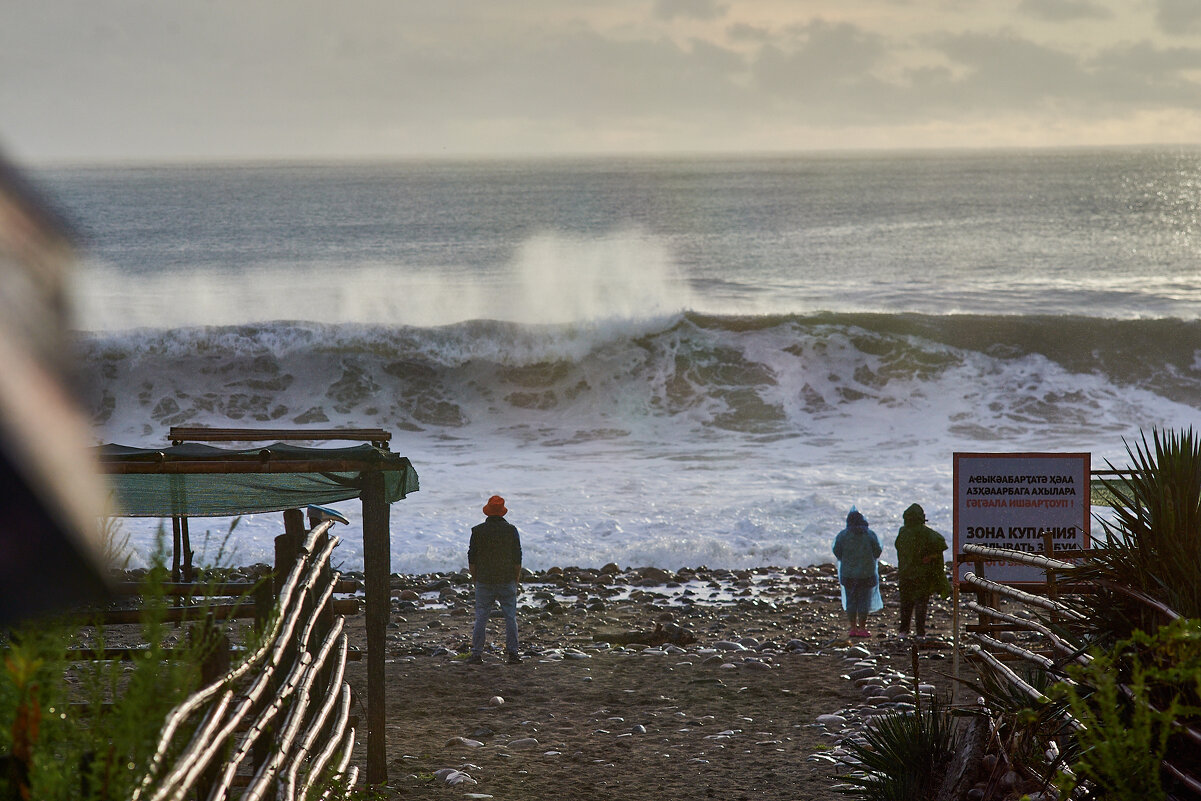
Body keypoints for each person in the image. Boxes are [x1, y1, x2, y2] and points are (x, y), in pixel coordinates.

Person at [467, 495, 523, 664]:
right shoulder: (511, 530)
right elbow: (517, 557)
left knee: (481, 618)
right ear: (502, 513)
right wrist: (516, 578)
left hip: (484, 579)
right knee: (510, 618)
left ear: (488, 511)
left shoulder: (477, 531)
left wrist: (475, 579)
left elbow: (472, 559)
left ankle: (476, 654)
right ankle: (513, 654)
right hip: (506, 579)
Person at [894, 502, 950, 637]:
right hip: (922, 576)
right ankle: (920, 633)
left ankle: (903, 631)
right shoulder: (926, 532)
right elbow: (940, 543)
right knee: (920, 605)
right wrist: (930, 556)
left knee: (906, 604)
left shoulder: (902, 532)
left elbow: (898, 547)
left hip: (905, 574)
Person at [832, 506, 883, 638]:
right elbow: (877, 551)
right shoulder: (870, 534)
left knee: (851, 601)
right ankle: (862, 628)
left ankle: (853, 628)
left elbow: (837, 552)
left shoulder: (843, 535)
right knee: (864, 601)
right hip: (867, 573)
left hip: (848, 574)